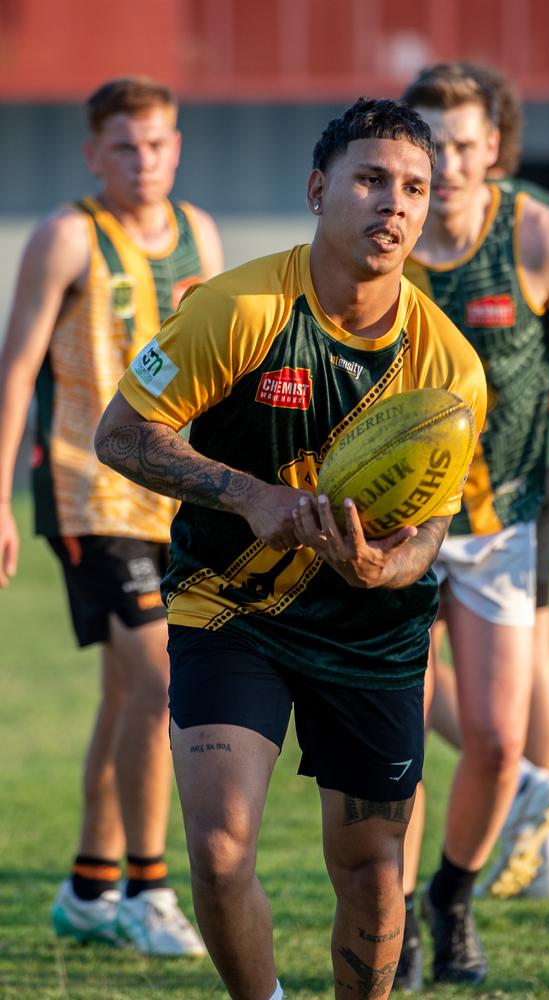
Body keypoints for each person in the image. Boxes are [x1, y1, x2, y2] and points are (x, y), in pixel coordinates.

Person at [93, 97, 487, 1000]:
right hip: (233, 606)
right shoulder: (238, 308)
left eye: (414, 189)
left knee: (373, 870)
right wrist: (250, 495)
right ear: (319, 190)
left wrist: (392, 565)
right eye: (371, 180)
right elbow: (121, 434)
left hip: (370, 628)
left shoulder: (448, 371)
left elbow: (429, 529)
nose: (394, 204)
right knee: (221, 847)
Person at [394, 63, 549, 986]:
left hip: (506, 523)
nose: (448, 164)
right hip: (392, 531)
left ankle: (453, 896)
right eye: (432, 144)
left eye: (464, 144)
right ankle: (400, 918)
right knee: (401, 742)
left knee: (498, 743)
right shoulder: (380, 234)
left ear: (493, 148)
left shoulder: (534, 234)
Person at [0, 76, 223, 955]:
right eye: (125, 147)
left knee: (127, 693)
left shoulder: (200, 232)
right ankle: (147, 888)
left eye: (158, 144)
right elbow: (16, 370)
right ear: (94, 154)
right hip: (86, 491)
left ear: (177, 145)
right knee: (164, 682)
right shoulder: (64, 236)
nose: (145, 161)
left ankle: (91, 887)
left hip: (175, 491)